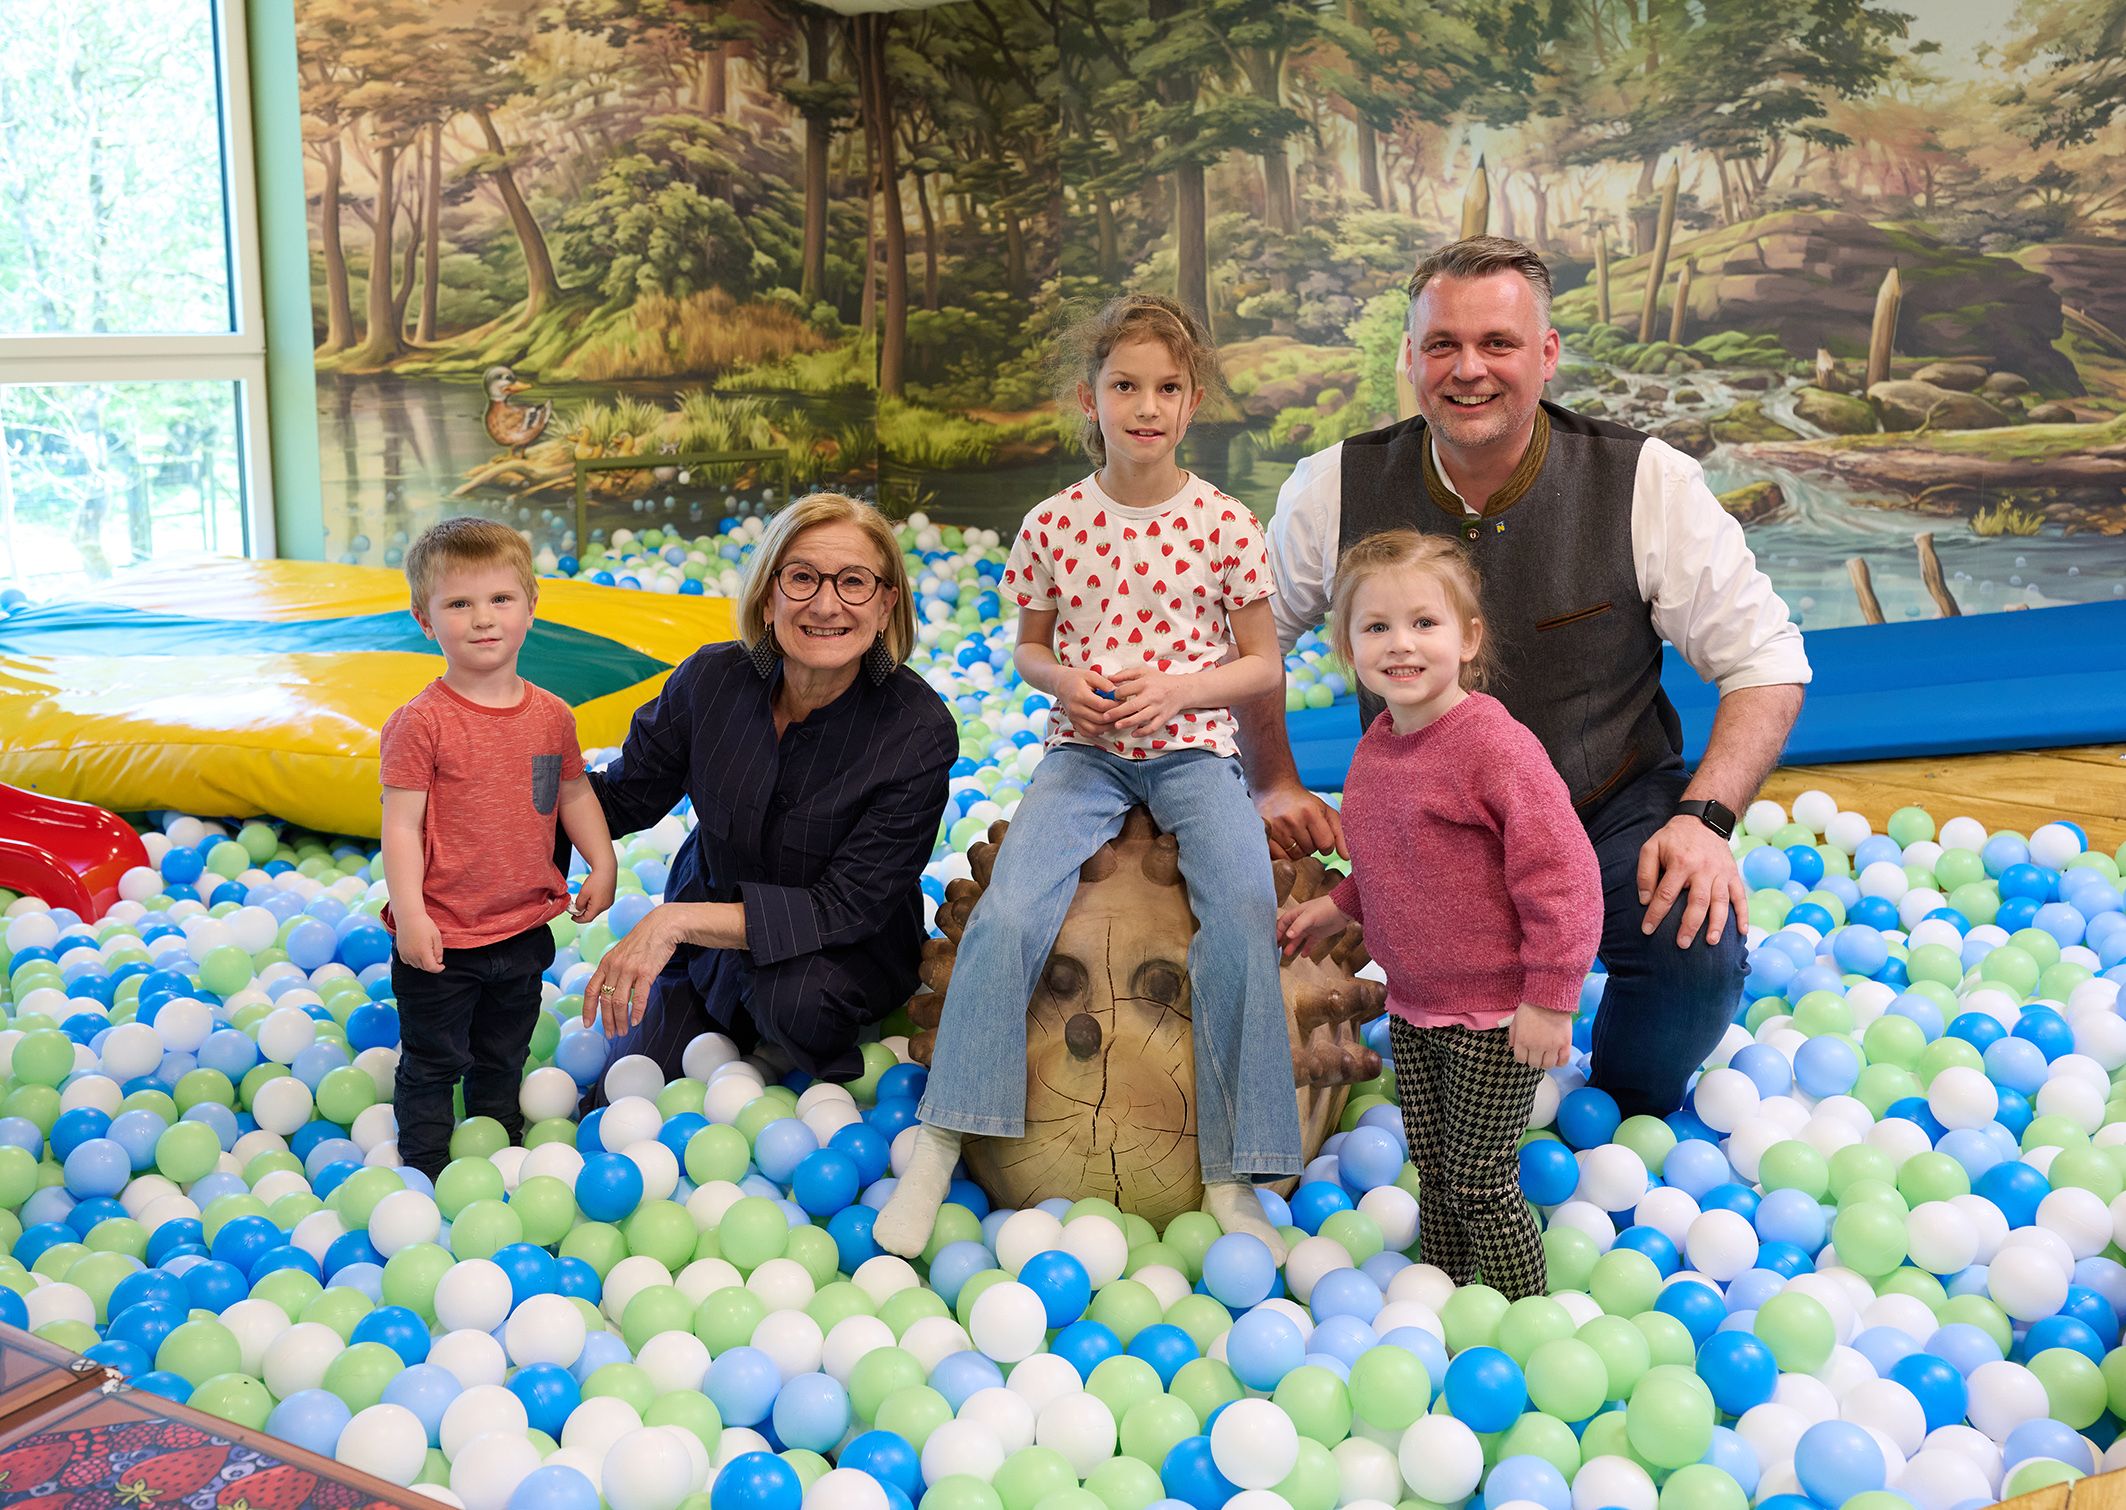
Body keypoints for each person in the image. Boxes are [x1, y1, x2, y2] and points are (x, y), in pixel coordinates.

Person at [1242, 235, 1811, 1120]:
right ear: (1413, 358)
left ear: (1546, 355)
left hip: (1602, 807)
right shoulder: (1334, 486)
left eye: (1498, 344)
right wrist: (1273, 781)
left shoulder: (1645, 481)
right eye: (1443, 345)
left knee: (1694, 942)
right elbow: (1247, 642)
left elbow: (1767, 664)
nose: (1469, 370)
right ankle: (1455, 1070)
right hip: (1424, 828)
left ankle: (1619, 1113)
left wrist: (1703, 822)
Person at [874, 293, 1302, 1262]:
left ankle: (1237, 1169)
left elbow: (1260, 665)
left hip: (1193, 748)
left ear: (1191, 404)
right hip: (1083, 750)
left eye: (1163, 389)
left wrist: (1178, 692)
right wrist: (1069, 681)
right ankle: (944, 1135)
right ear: (1089, 397)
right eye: (1122, 386)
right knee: (1013, 910)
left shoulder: (1226, 524)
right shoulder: (1053, 523)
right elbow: (1027, 648)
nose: (1143, 406)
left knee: (1237, 910)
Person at [1277, 532, 1601, 1298]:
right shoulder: (1378, 747)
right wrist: (1336, 907)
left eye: (1425, 623)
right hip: (1418, 1006)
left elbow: (1566, 878)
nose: (1402, 645)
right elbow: (1395, 864)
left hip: (1497, 1012)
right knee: (1435, 1162)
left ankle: (1527, 1311)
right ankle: (1445, 1284)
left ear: (1469, 637)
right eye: (1377, 627)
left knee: (1481, 1176)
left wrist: (1550, 999)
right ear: (1347, 646)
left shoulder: (1494, 748)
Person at [574, 492, 956, 1100]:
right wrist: (522, 769)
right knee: (628, 1092)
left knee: (795, 1003)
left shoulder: (917, 729)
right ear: (768, 593)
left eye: (854, 582)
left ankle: (780, 1049)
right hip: (701, 936)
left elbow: (845, 908)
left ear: (886, 605)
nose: (826, 604)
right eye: (802, 577)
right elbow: (624, 797)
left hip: (838, 951)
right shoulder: (711, 680)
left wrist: (672, 921)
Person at [381, 517, 616, 1180]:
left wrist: (604, 861)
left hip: (519, 927)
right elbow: (400, 826)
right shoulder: (420, 722)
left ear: (531, 607)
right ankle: (422, 1169)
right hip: (443, 937)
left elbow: (572, 795)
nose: (482, 619)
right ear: (425, 619)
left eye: (499, 600)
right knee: (432, 1058)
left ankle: (498, 1140)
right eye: (459, 603)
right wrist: (413, 914)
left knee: (503, 1051)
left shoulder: (551, 716)